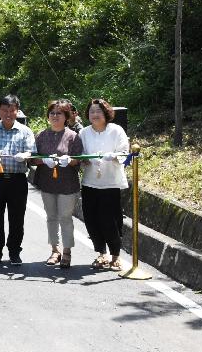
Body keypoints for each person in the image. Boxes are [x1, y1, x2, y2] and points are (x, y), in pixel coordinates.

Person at [0, 94, 36, 266]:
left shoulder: (25, 131)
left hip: (17, 180)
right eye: (4, 110)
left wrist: (25, 156)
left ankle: (14, 252)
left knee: (17, 217)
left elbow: (31, 153)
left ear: (17, 111)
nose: (8, 113)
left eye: (12, 110)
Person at [80, 98, 129, 272]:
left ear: (106, 113)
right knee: (92, 220)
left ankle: (116, 255)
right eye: (92, 111)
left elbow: (125, 152)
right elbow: (80, 155)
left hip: (111, 183)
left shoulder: (116, 130)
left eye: (98, 111)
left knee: (111, 220)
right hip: (89, 183)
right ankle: (101, 253)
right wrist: (84, 161)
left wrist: (113, 156)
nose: (95, 114)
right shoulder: (84, 133)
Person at [32, 99, 83, 269]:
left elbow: (79, 161)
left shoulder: (73, 136)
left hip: (67, 184)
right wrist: (44, 160)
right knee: (51, 217)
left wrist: (69, 161)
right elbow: (32, 160)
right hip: (47, 183)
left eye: (59, 113)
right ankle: (55, 250)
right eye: (52, 113)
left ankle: (67, 251)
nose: (55, 116)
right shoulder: (41, 136)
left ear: (66, 116)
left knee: (65, 217)